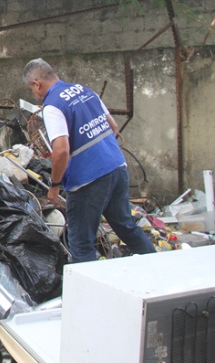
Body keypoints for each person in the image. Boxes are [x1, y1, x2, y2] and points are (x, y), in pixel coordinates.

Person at [22, 58, 156, 263]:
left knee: (81, 243)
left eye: (32, 89)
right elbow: (113, 126)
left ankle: (89, 293)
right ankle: (161, 270)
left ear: (37, 84)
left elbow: (61, 150)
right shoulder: (84, 90)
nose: (35, 94)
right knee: (126, 227)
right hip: (117, 168)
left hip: (88, 180)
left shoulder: (52, 106)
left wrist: (55, 186)